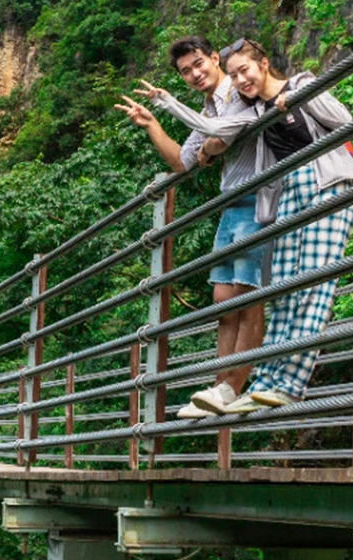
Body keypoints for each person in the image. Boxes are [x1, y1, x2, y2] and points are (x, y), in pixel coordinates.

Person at [174, 38, 353, 410]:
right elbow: (211, 135)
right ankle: (267, 382)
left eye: (245, 70)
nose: (241, 79)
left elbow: (344, 121)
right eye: (234, 75)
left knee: (312, 283)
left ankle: (290, 384)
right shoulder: (256, 113)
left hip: (327, 182)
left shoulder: (299, 85)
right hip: (288, 191)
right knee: (281, 288)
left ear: (263, 64)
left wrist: (296, 101)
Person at [115, 36, 269, 415]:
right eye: (186, 71)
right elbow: (183, 162)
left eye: (199, 64)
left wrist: (212, 145)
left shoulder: (239, 89)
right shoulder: (209, 106)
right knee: (222, 299)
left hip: (261, 195)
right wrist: (152, 123)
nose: (196, 73)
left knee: (248, 293)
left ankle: (231, 387)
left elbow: (225, 134)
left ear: (215, 59)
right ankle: (221, 385)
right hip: (232, 201)